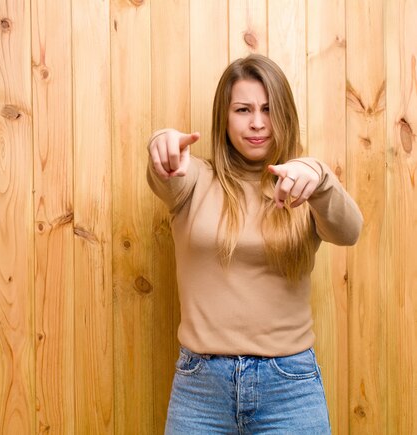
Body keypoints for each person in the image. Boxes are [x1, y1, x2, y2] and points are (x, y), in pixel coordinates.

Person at [146, 54, 362, 434]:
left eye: (268, 109)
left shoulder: (302, 186)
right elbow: (164, 173)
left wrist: (320, 177)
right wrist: (160, 145)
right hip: (201, 389)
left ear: (285, 115)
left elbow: (349, 232)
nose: (258, 123)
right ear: (224, 118)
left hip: (289, 386)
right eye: (243, 109)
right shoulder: (194, 179)